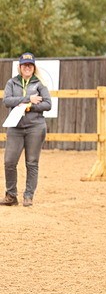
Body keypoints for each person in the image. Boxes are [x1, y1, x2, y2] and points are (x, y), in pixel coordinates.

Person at [4, 52, 52, 207]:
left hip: (35, 127)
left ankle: (28, 195)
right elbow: (7, 101)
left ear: (34, 67)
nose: (27, 67)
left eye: (30, 65)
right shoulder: (12, 82)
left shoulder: (39, 84)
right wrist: (27, 99)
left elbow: (48, 104)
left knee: (32, 162)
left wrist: (30, 107)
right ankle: (11, 195)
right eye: (24, 65)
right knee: (9, 161)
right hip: (15, 127)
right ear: (19, 67)